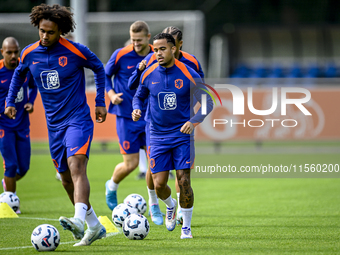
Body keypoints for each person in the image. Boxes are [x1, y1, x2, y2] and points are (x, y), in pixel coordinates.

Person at [4, 4, 107, 246]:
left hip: (78, 119)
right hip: (54, 126)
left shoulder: (75, 51)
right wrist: (10, 100)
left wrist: (100, 101)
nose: (45, 36)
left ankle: (79, 221)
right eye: (42, 31)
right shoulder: (30, 53)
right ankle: (94, 226)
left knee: (76, 166)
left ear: (60, 31)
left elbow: (99, 68)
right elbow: (19, 74)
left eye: (50, 32)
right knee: (65, 179)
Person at [132, 33, 213, 239]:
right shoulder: (148, 73)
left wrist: (193, 121)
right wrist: (136, 109)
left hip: (181, 136)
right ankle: (170, 205)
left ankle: (186, 227)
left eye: (162, 49)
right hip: (157, 136)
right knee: (159, 184)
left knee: (184, 180)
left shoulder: (189, 73)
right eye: (155, 50)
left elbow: (208, 103)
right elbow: (138, 96)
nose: (158, 53)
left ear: (173, 49)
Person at [104, 21, 157, 218]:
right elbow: (104, 75)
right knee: (131, 164)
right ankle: (112, 185)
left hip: (151, 117)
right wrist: (110, 95)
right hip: (126, 116)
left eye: (139, 40)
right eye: (133, 39)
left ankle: (153, 203)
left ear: (148, 37)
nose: (135, 43)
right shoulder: (120, 54)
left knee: (154, 162)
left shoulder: (156, 55)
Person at [0, 37, 37, 214]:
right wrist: (4, 109)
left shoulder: (25, 68)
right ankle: (10, 204)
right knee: (11, 165)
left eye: (16, 52)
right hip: (3, 126)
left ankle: (7, 183)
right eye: (9, 52)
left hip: (22, 124)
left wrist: (31, 101)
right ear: (2, 53)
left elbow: (34, 86)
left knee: (24, 167)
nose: (13, 56)